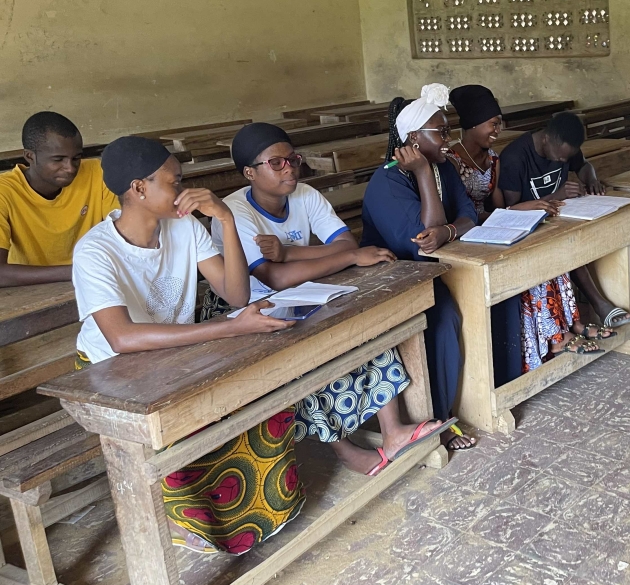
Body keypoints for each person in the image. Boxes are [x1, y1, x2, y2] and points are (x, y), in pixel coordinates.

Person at [71, 135, 303, 555]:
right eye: (173, 181)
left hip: (177, 355)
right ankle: (190, 521)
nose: (184, 189)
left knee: (257, 398)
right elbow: (122, 338)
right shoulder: (94, 251)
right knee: (188, 429)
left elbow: (235, 295)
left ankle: (263, 514)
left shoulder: (184, 227)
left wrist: (226, 220)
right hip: (111, 370)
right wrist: (229, 330)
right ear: (140, 188)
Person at [210, 122, 452, 475]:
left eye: (292, 159)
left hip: (309, 289)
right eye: (276, 163)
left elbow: (344, 244)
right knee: (308, 356)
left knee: (366, 327)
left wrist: (291, 252)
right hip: (252, 307)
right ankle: (344, 448)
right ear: (250, 172)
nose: (289, 167)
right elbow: (273, 276)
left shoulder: (305, 195)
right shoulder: (236, 214)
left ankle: (393, 430)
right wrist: (347, 259)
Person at [498, 111, 630, 337]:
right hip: (533, 227)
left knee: (627, 237)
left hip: (565, 215)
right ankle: (600, 304)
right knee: (570, 245)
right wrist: (558, 195)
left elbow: (584, 166)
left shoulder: (564, 145)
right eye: (560, 158)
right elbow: (511, 210)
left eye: (567, 158)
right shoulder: (516, 157)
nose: (564, 162)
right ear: (546, 139)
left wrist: (591, 179)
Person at [448, 85, 600, 371]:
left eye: (499, 123)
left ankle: (568, 324)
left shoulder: (492, 158)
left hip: (491, 227)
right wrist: (529, 206)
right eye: (493, 124)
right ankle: (555, 336)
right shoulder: (452, 161)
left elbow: (498, 207)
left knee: (545, 249)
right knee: (529, 261)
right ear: (472, 125)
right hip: (465, 234)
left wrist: (519, 210)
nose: (498, 130)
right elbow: (466, 212)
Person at [360, 84, 477, 451]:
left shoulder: (444, 169)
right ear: (412, 138)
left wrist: (450, 230)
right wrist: (424, 174)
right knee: (443, 320)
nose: (448, 139)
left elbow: (470, 215)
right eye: (440, 132)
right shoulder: (389, 180)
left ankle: (472, 399)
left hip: (435, 268)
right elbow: (422, 240)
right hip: (393, 277)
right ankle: (437, 419)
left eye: (448, 131)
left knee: (485, 301)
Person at [0, 111, 117, 286]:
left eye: (76, 158)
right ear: (29, 156)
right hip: (30, 288)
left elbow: (126, 236)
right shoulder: (5, 191)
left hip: (95, 280)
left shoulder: (96, 172)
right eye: (58, 159)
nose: (70, 168)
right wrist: (82, 269)